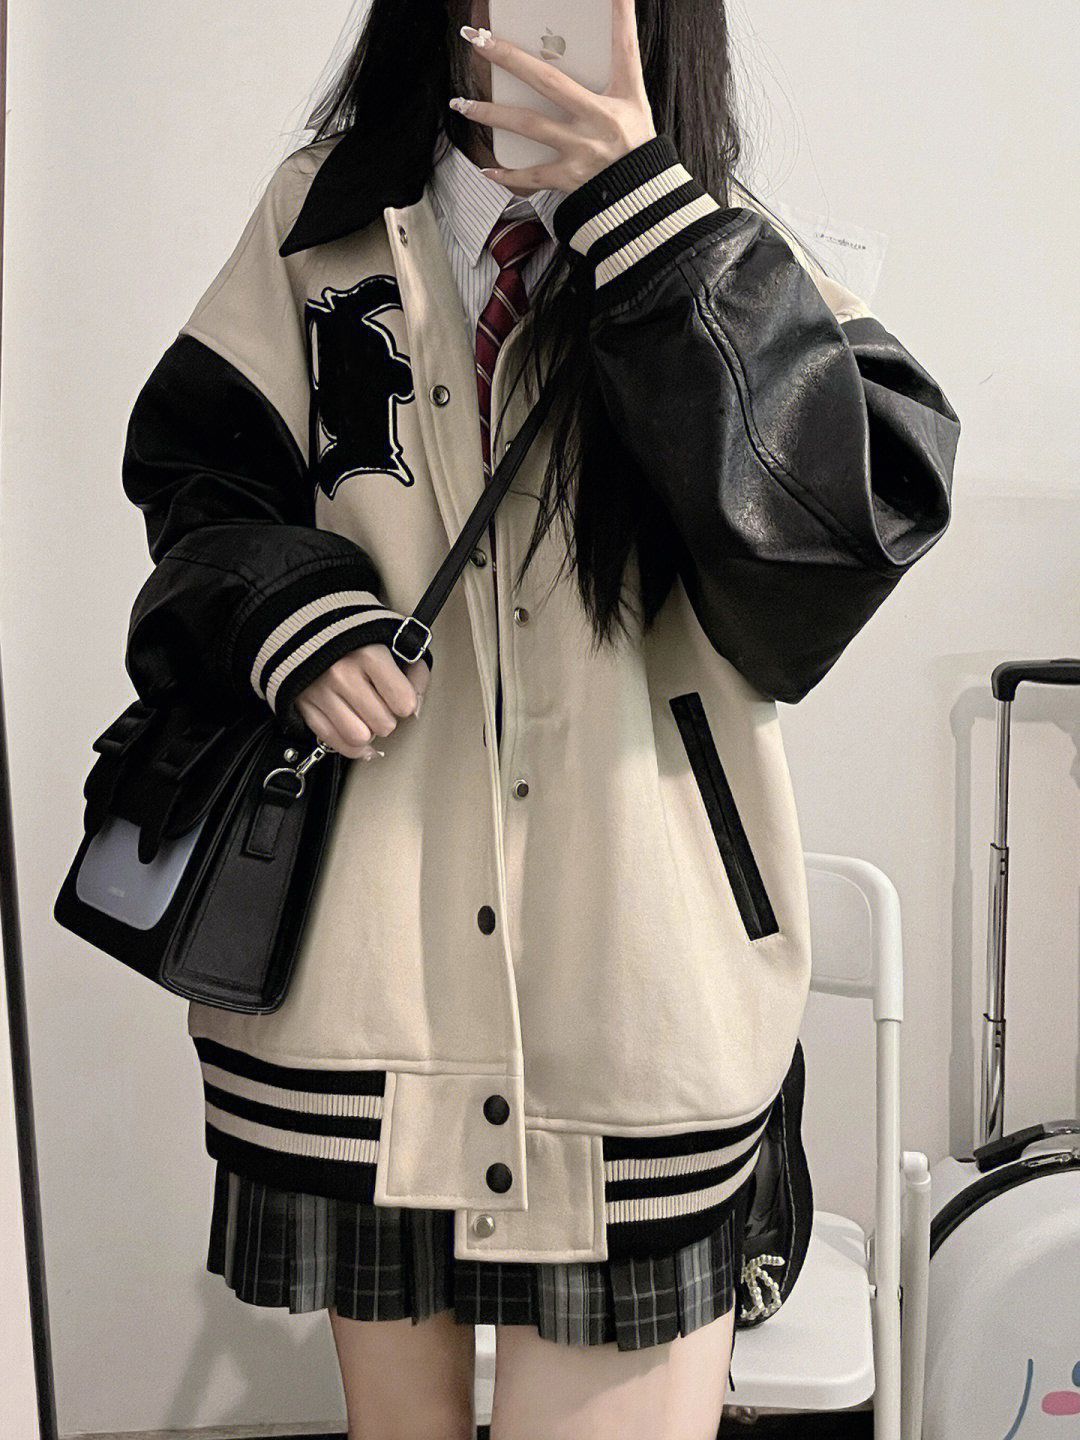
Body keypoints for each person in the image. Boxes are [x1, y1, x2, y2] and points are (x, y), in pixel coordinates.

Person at [119, 2, 960, 1436]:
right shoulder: (321, 227)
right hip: (364, 989)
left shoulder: (724, 251)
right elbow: (199, 477)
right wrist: (291, 612)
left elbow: (841, 541)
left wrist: (643, 222)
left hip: (636, 994)